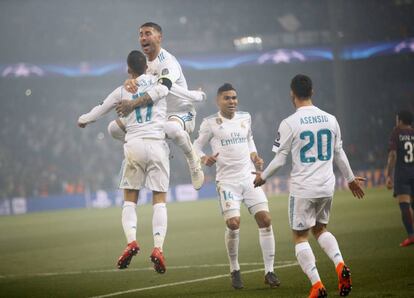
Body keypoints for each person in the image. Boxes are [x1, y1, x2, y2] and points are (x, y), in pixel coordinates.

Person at [253, 74, 365, 298]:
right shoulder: (331, 119)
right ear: (312, 92)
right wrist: (351, 179)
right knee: (321, 229)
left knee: (300, 237)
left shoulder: (289, 123)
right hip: (326, 187)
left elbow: (280, 160)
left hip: (303, 188)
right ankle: (340, 264)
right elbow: (339, 153)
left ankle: (317, 285)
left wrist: (262, 177)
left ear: (291, 94)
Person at [78, 50, 170, 274]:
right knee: (159, 200)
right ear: (147, 67)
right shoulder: (159, 83)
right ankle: (158, 248)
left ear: (129, 69)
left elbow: (100, 109)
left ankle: (131, 241)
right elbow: (170, 88)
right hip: (158, 144)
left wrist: (83, 120)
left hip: (134, 145)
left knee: (130, 200)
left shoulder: (122, 90)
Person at [193, 83, 281, 290]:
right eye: (227, 98)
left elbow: (249, 139)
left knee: (266, 219)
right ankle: (235, 269)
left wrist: (254, 155)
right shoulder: (210, 123)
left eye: (234, 98)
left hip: (249, 177)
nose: (232, 101)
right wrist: (204, 158)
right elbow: (195, 146)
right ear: (218, 101)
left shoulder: (245, 118)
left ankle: (269, 271)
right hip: (227, 182)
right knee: (233, 223)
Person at [115, 22, 204, 190]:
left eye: (148, 33)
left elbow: (162, 90)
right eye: (140, 34)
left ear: (159, 37)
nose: (143, 38)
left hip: (182, 112)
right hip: (159, 115)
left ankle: (193, 161)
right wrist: (131, 81)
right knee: (114, 128)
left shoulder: (167, 62)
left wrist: (132, 104)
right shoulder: (144, 65)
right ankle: (151, 148)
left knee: (172, 129)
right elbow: (140, 85)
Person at [385, 110, 414, 247]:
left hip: (403, 173)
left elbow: (393, 155)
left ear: (400, 120)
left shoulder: (396, 133)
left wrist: (388, 174)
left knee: (404, 205)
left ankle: (411, 236)